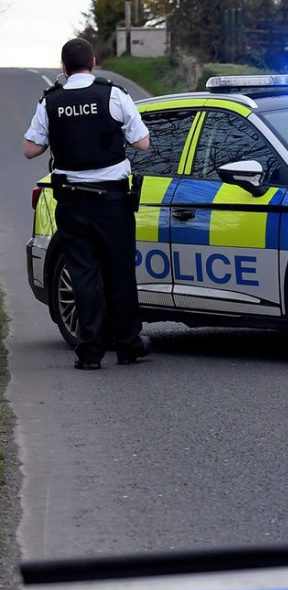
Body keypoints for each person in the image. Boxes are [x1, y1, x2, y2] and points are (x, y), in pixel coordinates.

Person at [23, 37, 151, 369]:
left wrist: (60, 133)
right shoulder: (114, 94)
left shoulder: (50, 102)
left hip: (73, 203)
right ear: (93, 63)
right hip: (112, 201)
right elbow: (142, 143)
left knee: (84, 274)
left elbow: (30, 149)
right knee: (119, 270)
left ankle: (90, 350)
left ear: (63, 68)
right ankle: (127, 344)